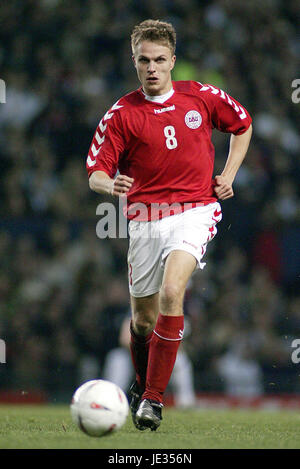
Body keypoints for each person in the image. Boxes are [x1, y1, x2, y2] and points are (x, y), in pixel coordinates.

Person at [86, 19, 252, 431]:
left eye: (160, 59)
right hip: (144, 219)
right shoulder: (121, 114)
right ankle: (143, 385)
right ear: (134, 61)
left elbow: (243, 125)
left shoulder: (201, 95)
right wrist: (112, 185)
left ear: (173, 60)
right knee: (141, 321)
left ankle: (154, 402)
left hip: (195, 209)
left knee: (173, 292)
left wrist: (228, 175)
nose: (152, 68)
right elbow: (94, 173)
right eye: (144, 60)